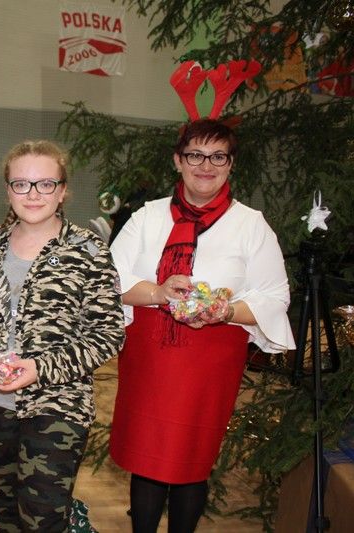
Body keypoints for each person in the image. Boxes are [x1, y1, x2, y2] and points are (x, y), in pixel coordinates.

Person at [108, 118, 295, 532]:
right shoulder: (148, 217)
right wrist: (159, 292)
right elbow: (109, 280)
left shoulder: (250, 224)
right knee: (147, 458)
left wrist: (226, 311)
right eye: (195, 155)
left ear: (231, 164)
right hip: (150, 359)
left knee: (192, 461)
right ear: (178, 161)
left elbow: (275, 297)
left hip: (209, 364)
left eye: (217, 157)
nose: (205, 166)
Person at [0, 140, 126, 532]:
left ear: (63, 191)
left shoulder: (88, 252)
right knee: (5, 516)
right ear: (8, 191)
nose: (33, 194)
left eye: (45, 184)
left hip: (57, 406)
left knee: (42, 521)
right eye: (22, 184)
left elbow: (108, 333)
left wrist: (39, 368)